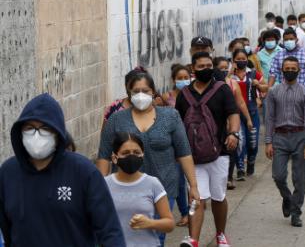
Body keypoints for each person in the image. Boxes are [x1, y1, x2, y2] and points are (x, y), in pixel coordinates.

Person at [0, 93, 125, 246]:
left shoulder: (84, 172)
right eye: (30, 128)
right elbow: (6, 232)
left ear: (57, 133)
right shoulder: (8, 173)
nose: (37, 135)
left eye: (45, 128)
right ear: (20, 132)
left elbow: (110, 232)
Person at [96, 71, 200, 246]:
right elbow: (104, 156)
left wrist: (193, 186)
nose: (141, 95)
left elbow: (184, 152)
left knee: (155, 237)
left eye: (145, 90)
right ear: (128, 93)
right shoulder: (116, 119)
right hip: (124, 192)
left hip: (163, 189)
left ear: (153, 91)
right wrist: (99, 189)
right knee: (126, 235)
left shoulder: (171, 117)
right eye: (136, 91)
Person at [176, 52, 240, 247]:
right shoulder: (184, 95)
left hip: (219, 153)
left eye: (208, 65)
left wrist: (233, 134)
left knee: (218, 196)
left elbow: (233, 113)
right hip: (192, 156)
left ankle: (221, 234)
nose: (206, 69)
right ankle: (193, 240)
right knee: (197, 198)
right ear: (193, 69)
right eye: (201, 66)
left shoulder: (222, 90)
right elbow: (177, 123)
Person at [265, 56, 305, 227]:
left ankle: (296, 213)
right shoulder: (273, 92)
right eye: (287, 68)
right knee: (278, 176)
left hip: (300, 136)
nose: (290, 71)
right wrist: (268, 141)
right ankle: (288, 198)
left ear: (299, 71)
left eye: (294, 69)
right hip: (279, 137)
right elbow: (269, 118)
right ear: (282, 70)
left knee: (300, 178)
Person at [106, 132, 174, 246]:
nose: (131, 156)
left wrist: (149, 223)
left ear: (142, 155)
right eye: (125, 153)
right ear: (114, 157)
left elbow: (170, 224)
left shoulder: (153, 183)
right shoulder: (104, 184)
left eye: (136, 152)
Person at [214, 56, 253, 189]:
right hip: (214, 123)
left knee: (232, 147)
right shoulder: (208, 85)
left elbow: (240, 103)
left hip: (231, 122)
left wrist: (248, 119)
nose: (224, 71)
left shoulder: (232, 83)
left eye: (227, 68)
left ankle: (229, 177)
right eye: (221, 68)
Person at [161, 64, 192, 227]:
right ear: (174, 80)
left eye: (186, 77)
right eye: (179, 78)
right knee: (179, 180)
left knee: (192, 178)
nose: (183, 81)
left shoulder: (194, 95)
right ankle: (185, 213)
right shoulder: (167, 97)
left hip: (193, 141)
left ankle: (195, 204)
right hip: (174, 144)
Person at [231, 49, 268, 178]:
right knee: (240, 141)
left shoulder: (253, 74)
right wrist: (231, 71)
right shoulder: (230, 76)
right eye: (238, 59)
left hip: (252, 112)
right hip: (235, 113)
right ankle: (240, 168)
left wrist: (258, 85)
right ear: (233, 60)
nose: (241, 61)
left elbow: (266, 87)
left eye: (243, 59)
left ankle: (251, 163)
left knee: (252, 142)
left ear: (247, 59)